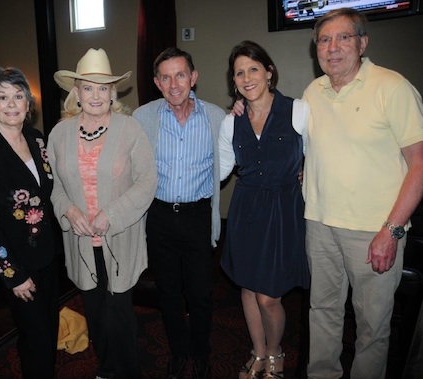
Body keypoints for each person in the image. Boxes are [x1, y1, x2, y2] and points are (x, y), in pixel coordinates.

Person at [303, 8, 423, 379]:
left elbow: (419, 164)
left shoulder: (392, 87)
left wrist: (392, 231)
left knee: (372, 327)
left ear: (362, 43)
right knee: (321, 313)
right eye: (324, 40)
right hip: (320, 225)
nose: (333, 47)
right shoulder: (313, 91)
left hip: (374, 231)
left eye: (343, 38)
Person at [47, 48, 157, 379]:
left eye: (103, 88)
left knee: (120, 313)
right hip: (81, 243)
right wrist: (68, 210)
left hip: (119, 239)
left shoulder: (130, 129)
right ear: (76, 93)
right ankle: (107, 370)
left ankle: (129, 372)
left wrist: (112, 213)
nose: (96, 95)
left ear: (113, 93)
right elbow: (55, 187)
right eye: (88, 87)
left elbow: (147, 182)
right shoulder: (59, 134)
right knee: (95, 312)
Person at [219, 40, 310, 379]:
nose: (246, 77)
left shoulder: (297, 110)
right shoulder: (232, 122)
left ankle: (275, 352)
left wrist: (307, 169)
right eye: (239, 72)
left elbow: (320, 154)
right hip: (245, 211)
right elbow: (221, 169)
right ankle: (257, 351)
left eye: (253, 69)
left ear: (269, 72)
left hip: (283, 213)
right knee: (247, 285)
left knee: (269, 296)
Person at [132, 47, 225, 379]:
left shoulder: (217, 118)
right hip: (159, 217)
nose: (174, 84)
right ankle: (178, 351)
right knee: (168, 293)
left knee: (200, 292)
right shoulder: (142, 118)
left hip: (198, 216)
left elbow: (229, 161)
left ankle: (200, 353)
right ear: (157, 82)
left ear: (193, 77)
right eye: (166, 77)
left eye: (180, 75)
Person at [0, 66, 59, 378]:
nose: (11, 103)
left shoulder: (37, 139)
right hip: (17, 265)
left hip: (47, 256)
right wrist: (13, 275)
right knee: (38, 336)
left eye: (18, 96)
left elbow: (47, 194)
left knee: (48, 330)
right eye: (2, 97)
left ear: (28, 104)